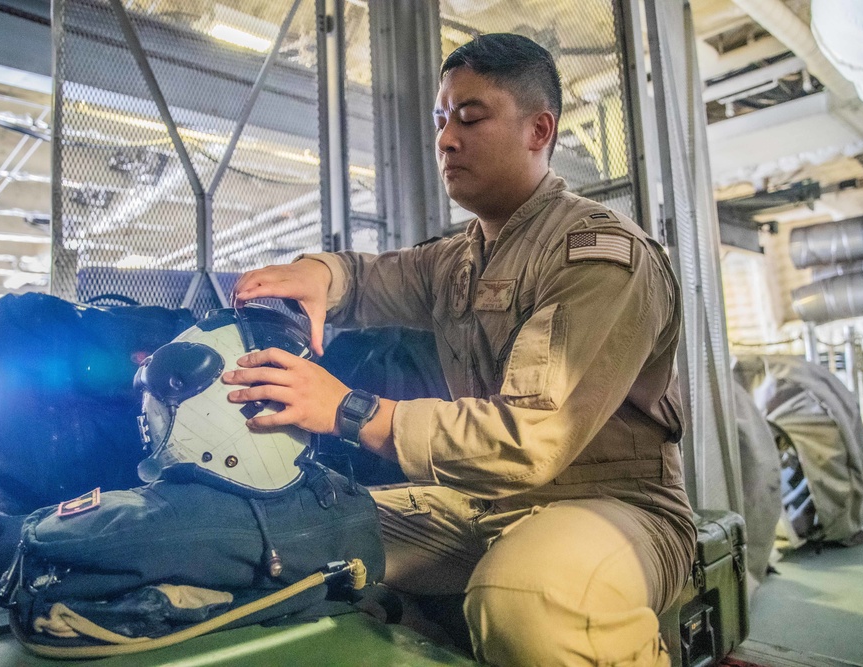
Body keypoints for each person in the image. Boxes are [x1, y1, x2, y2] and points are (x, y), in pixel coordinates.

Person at [225, 33, 695, 666]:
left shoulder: (601, 256)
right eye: (441, 120)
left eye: (470, 118)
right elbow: (368, 278)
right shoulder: (460, 258)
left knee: (531, 596)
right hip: (482, 504)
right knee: (285, 536)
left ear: (539, 131)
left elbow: (531, 437)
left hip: (615, 507)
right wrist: (318, 274)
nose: (446, 139)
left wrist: (351, 410)